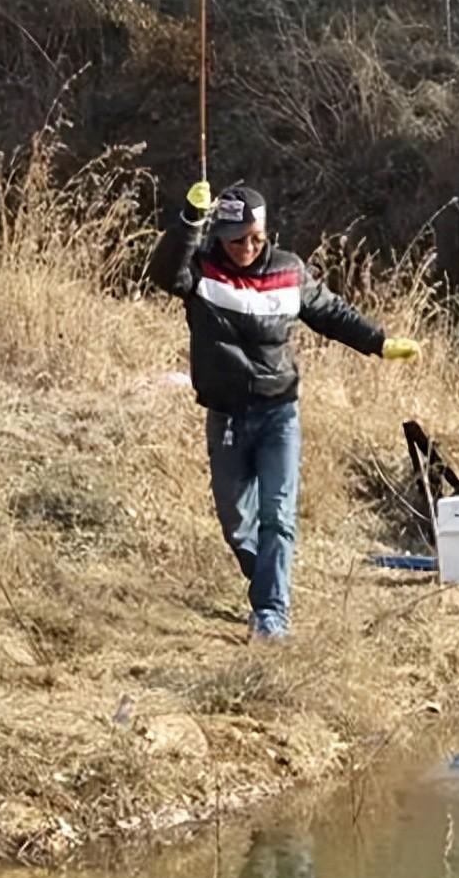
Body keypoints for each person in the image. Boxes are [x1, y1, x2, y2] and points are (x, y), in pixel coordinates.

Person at [148, 181, 420, 640]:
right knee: (236, 522)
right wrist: (189, 222)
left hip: (279, 413)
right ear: (220, 236)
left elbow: (331, 312)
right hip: (229, 416)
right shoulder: (202, 271)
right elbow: (164, 273)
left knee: (278, 513)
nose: (248, 248)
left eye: (257, 238)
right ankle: (267, 584)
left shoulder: (289, 271)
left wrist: (378, 342)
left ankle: (272, 613)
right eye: (238, 240)